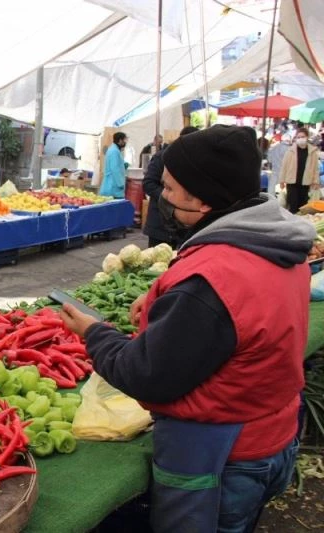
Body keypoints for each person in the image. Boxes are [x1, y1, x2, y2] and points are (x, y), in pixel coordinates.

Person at [59, 125, 314, 533]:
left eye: (173, 189)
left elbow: (146, 375)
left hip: (221, 454)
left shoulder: (212, 282)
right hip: (273, 434)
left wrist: (94, 332)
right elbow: (244, 320)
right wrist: (167, 301)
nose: (163, 197)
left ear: (204, 200)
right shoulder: (279, 244)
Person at [142, 126, 198, 248]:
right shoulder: (161, 157)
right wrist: (169, 197)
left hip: (183, 229)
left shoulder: (193, 160)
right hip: (159, 224)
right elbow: (148, 183)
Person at [279, 128, 321, 214]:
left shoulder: (312, 152)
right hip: (292, 183)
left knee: (303, 207)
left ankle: (301, 224)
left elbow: (315, 168)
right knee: (293, 206)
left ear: (307, 137)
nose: (301, 139)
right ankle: (292, 224)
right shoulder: (290, 150)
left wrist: (316, 181)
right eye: (298, 137)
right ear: (296, 138)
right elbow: (284, 166)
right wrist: (282, 180)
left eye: (303, 136)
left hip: (305, 183)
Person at [100, 132, 127, 198]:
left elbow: (116, 165)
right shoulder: (114, 151)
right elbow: (115, 169)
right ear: (120, 140)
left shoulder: (114, 150)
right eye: (124, 140)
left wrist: (123, 165)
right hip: (113, 187)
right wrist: (121, 184)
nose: (125, 142)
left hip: (112, 185)